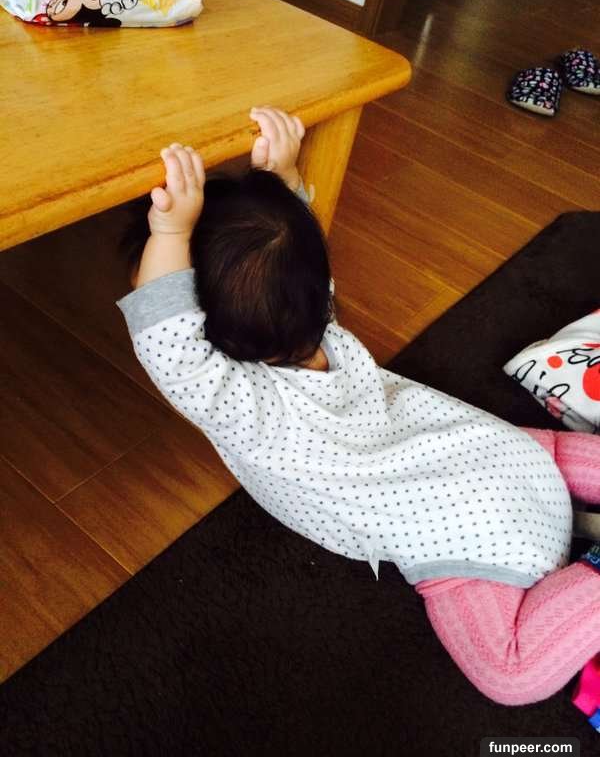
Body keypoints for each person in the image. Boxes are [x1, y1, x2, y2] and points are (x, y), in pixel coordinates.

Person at [117, 106, 600, 706]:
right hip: (514, 454)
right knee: (546, 449)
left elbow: (170, 344)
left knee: (511, 674)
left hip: (479, 540)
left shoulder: (247, 408)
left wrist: (169, 234)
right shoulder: (319, 315)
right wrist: (284, 179)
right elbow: (288, 258)